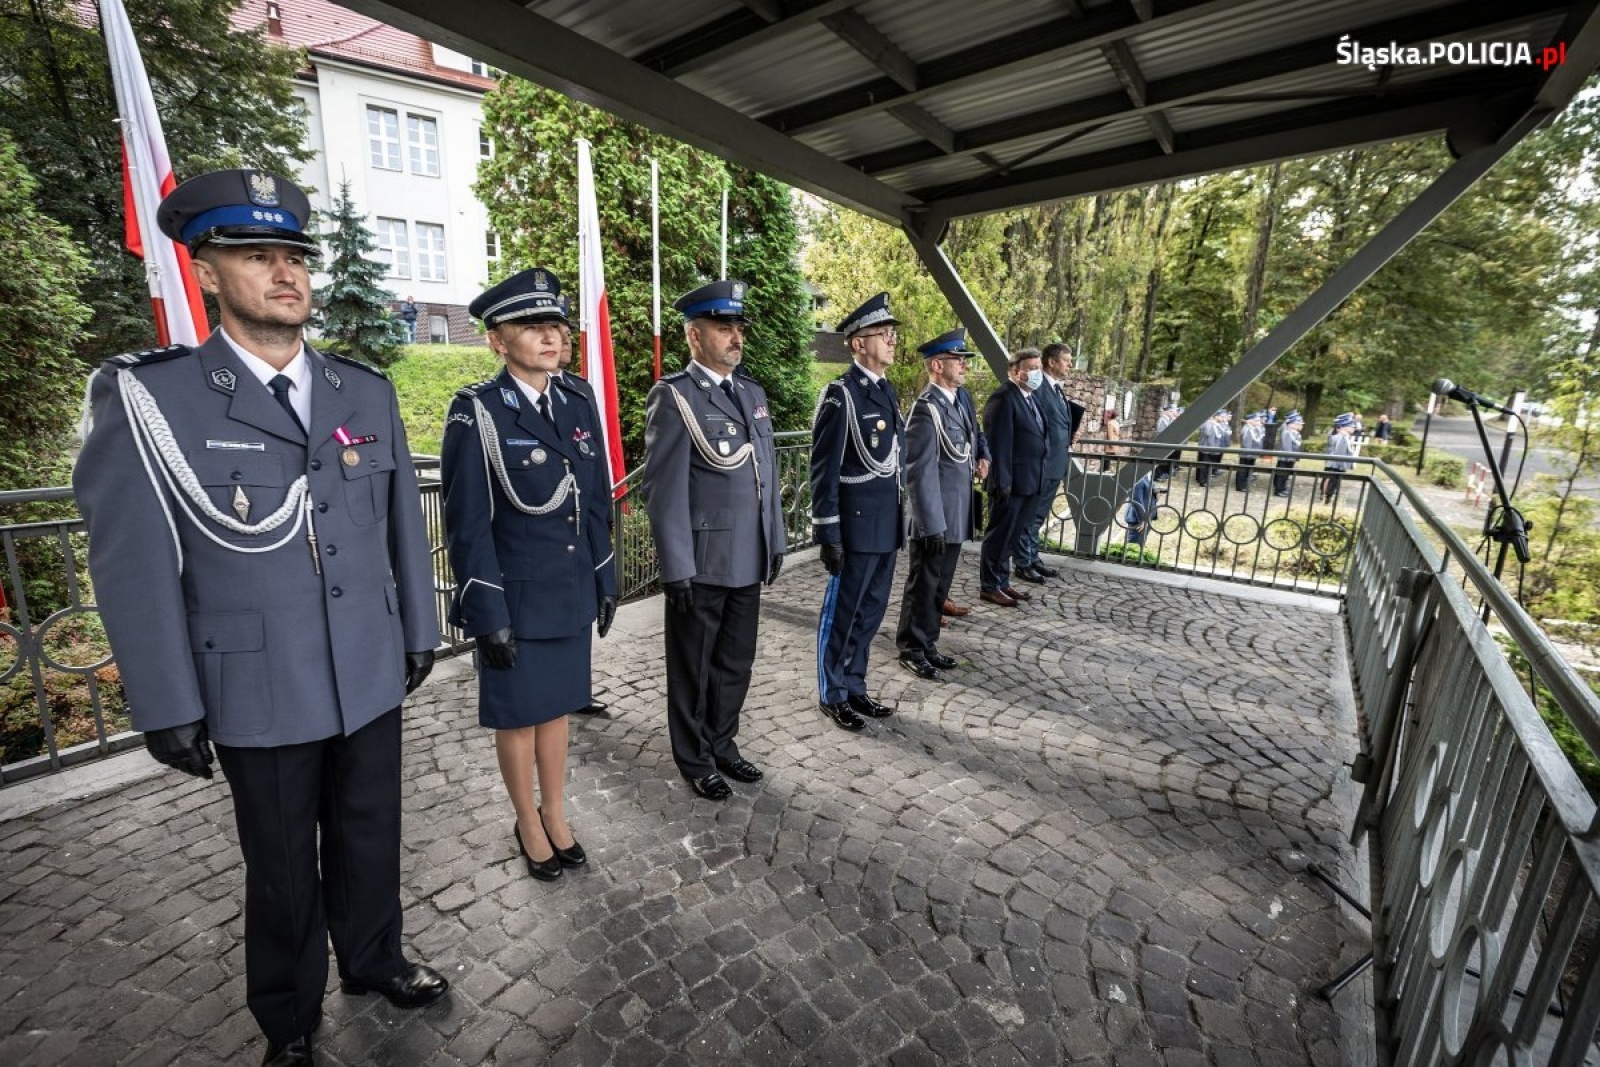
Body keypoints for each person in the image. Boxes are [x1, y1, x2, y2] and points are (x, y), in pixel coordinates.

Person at [73, 169, 447, 1066]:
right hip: (255, 679)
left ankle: (374, 956)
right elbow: (132, 560)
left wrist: (420, 631)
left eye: (293, 257)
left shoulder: (364, 391)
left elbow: (402, 524)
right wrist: (165, 698)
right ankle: (288, 1017)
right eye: (255, 256)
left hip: (364, 666)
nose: (286, 275)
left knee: (369, 834)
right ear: (205, 270)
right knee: (281, 869)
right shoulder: (154, 398)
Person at [441, 267, 618, 883]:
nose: (551, 336)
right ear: (497, 339)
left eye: (556, 325)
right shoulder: (478, 412)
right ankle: (526, 819)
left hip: (568, 589)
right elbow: (467, 525)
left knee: (556, 711)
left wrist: (605, 574)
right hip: (515, 597)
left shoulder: (577, 398)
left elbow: (595, 498)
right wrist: (486, 611)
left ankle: (556, 811)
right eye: (532, 326)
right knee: (518, 716)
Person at [642, 280, 784, 799]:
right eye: (724, 328)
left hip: (747, 555)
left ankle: (723, 742)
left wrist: (776, 542)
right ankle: (694, 757)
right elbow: (663, 488)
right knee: (692, 667)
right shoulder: (674, 396)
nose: (735, 337)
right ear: (694, 335)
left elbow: (764, 475)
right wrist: (675, 565)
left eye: (738, 328)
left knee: (734, 662)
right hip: (701, 561)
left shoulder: (751, 393)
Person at [811, 292, 905, 731]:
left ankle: (855, 684)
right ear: (857, 343)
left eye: (891, 335)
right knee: (843, 613)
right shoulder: (841, 396)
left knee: (870, 612)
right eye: (883, 335)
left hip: (885, 525)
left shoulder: (887, 392)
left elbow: (893, 464)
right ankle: (832, 692)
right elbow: (824, 470)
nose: (891, 341)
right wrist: (828, 532)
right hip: (854, 527)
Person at [894, 329, 989, 681]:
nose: (964, 366)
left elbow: (967, 448)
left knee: (940, 585)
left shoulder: (956, 402)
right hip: (935, 518)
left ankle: (928, 642)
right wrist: (931, 522)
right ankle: (911, 647)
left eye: (964, 360)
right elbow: (919, 473)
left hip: (955, 512)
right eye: (957, 360)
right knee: (924, 583)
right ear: (937, 365)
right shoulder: (926, 410)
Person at [551, 303, 609, 716]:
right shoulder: (491, 399)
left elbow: (596, 458)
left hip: (580, 523)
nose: (565, 336)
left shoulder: (579, 390)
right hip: (538, 534)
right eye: (555, 327)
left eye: (567, 328)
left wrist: (604, 515)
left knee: (580, 612)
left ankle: (577, 689)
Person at [979, 348, 1048, 608]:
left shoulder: (1031, 398)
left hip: (1030, 481)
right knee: (999, 535)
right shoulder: (1004, 398)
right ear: (1014, 370)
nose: (1036, 374)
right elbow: (998, 445)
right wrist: (1002, 483)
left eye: (1038, 368)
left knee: (1013, 535)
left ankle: (1002, 581)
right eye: (1031, 368)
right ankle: (989, 586)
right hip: (1009, 484)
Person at [1015, 341, 1079, 583]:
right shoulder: (1039, 387)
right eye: (1066, 360)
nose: (1070, 365)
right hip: (1042, 464)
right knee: (1030, 517)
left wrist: (1071, 433)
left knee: (1039, 517)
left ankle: (1032, 558)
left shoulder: (1056, 388)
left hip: (1055, 463)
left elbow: (1056, 423)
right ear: (1052, 362)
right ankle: (1023, 562)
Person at [1322, 413, 1357, 505]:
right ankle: (1326, 496)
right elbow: (1339, 452)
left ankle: (1327, 495)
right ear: (1343, 427)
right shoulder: (1341, 437)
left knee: (1333, 480)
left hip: (1336, 463)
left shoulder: (1342, 436)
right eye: (1351, 426)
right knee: (1331, 480)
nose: (1353, 428)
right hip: (1335, 464)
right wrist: (1341, 465)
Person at [1196, 409, 1231, 487]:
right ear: (1216, 416)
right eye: (1222, 416)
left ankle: (1206, 480)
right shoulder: (1209, 423)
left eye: (1224, 417)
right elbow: (1207, 433)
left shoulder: (1219, 424)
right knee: (1205, 466)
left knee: (1210, 466)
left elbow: (1224, 433)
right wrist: (1213, 424)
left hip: (1214, 448)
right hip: (1207, 448)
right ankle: (1202, 481)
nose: (1223, 418)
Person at [1273, 411, 1303, 497]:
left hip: (1290, 458)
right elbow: (1287, 447)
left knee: (1285, 474)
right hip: (1286, 458)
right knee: (1281, 474)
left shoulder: (1294, 433)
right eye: (1297, 424)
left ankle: (1282, 488)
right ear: (1291, 424)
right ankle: (1278, 490)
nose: (1299, 426)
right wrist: (1290, 457)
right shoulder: (1287, 432)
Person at [1235, 410, 1265, 491]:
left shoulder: (1253, 428)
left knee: (1248, 470)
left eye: (1259, 420)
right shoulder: (1248, 429)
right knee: (1243, 470)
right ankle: (1241, 486)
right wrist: (1249, 454)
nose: (1259, 422)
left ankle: (1244, 484)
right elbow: (1247, 443)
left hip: (1252, 454)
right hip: (1247, 454)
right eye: (1257, 420)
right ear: (1251, 421)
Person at [1154, 402, 1180, 482]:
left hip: (1169, 444)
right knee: (1162, 461)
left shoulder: (1169, 420)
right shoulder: (1163, 420)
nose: (1174, 413)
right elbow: (1161, 432)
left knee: (1166, 461)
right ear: (1167, 411)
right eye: (1172, 411)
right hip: (1164, 444)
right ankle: (1157, 476)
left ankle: (1163, 474)